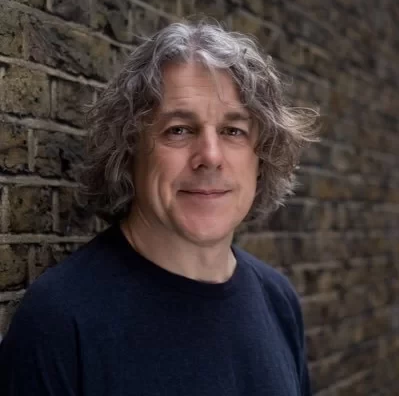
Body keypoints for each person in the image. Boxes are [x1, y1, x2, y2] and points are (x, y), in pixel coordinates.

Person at [0, 21, 318, 395]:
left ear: (261, 158)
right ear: (129, 151)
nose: (210, 156)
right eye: (179, 130)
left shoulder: (278, 300)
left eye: (233, 131)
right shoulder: (61, 320)